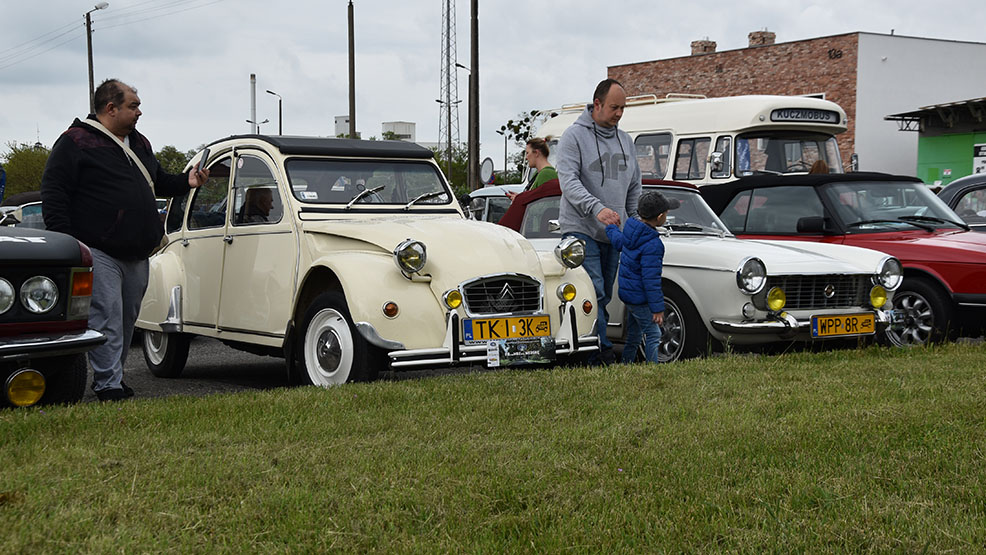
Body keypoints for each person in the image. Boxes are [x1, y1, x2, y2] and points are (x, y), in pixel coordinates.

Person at [41, 79, 208, 401]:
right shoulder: (75, 141)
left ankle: (112, 378)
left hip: (138, 251)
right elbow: (54, 193)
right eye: (133, 106)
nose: (139, 112)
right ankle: (109, 385)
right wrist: (70, 244)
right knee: (106, 316)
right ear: (110, 108)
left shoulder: (139, 142)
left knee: (127, 319)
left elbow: (158, 180)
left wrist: (186, 181)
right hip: (98, 249)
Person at [556, 78, 641, 364]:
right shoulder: (573, 137)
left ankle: (589, 350)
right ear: (597, 104)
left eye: (623, 108)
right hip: (581, 229)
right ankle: (599, 355)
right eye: (614, 107)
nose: (619, 113)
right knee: (592, 290)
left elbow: (634, 187)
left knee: (603, 297)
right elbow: (568, 182)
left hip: (614, 233)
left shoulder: (626, 141)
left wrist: (635, 221)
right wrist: (597, 208)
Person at [605, 191, 673, 363]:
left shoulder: (631, 230)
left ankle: (627, 363)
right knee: (653, 333)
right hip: (640, 298)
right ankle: (652, 368)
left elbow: (618, 242)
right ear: (660, 217)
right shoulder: (653, 244)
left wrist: (611, 228)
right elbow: (651, 280)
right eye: (666, 214)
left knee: (634, 334)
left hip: (628, 295)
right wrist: (657, 308)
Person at [506, 137, 558, 202]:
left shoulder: (547, 174)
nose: (526, 157)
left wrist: (520, 200)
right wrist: (520, 198)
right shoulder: (538, 173)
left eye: (527, 153)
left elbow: (545, 204)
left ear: (536, 153)